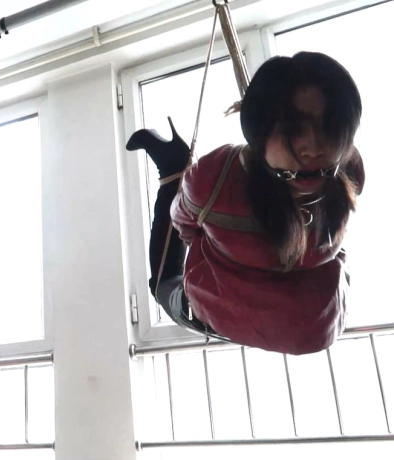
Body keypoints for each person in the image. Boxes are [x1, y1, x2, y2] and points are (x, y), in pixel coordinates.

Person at [126, 51, 364, 355]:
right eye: (293, 128)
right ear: (261, 132)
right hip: (216, 311)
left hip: (285, 321)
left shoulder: (348, 172)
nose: (314, 147)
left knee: (165, 285)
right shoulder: (215, 179)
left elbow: (186, 225)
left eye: (329, 125)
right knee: (164, 285)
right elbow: (182, 223)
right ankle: (172, 168)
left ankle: (173, 165)